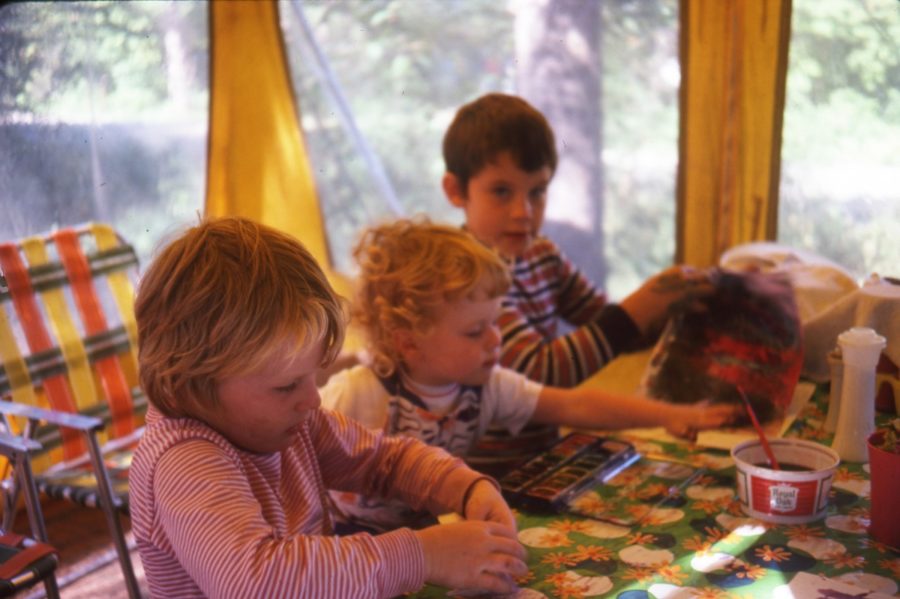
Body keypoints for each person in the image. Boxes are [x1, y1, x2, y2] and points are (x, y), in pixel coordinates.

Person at [129, 216, 527, 598]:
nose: (313, 399)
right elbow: (258, 583)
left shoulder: (294, 421)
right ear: (193, 383)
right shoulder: (185, 462)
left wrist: (462, 488)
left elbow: (382, 461)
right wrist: (422, 556)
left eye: (313, 375)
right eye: (286, 386)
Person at [321, 219, 737, 531]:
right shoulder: (356, 394)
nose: (494, 340)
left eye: (495, 323)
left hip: (421, 534)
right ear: (408, 342)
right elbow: (294, 463)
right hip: (341, 539)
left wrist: (668, 414)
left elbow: (573, 403)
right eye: (474, 330)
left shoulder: (485, 385)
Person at [441, 92, 709, 388]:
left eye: (537, 191)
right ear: (456, 190)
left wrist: (677, 306)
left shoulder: (542, 254)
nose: (523, 212)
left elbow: (618, 332)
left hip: (550, 435)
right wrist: (644, 304)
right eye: (502, 191)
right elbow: (542, 371)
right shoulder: (464, 276)